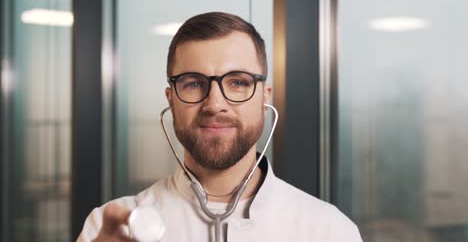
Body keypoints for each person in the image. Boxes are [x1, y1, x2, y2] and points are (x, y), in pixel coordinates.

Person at [77, 12, 362, 242]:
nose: (214, 104)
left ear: (265, 97)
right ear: (171, 99)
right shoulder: (111, 228)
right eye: (193, 83)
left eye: (237, 83)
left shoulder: (330, 231)